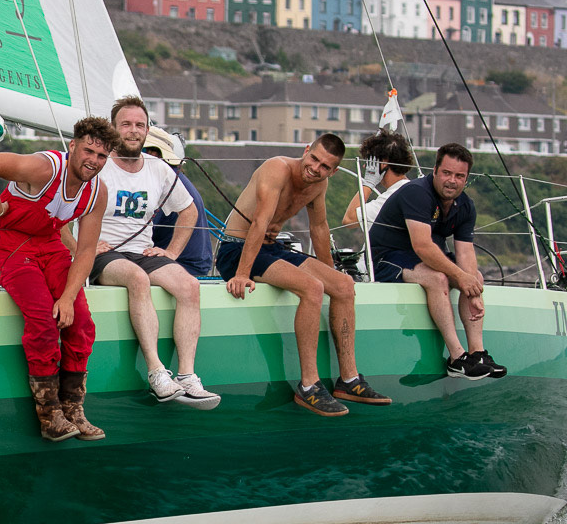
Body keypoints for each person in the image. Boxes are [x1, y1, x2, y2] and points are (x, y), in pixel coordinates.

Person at [215, 133, 392, 417]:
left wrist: (330, 275)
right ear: (306, 150)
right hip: (237, 250)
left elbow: (319, 229)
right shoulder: (278, 168)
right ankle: (309, 385)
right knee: (311, 288)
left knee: (345, 285)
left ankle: (349, 381)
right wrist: (241, 274)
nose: (316, 168)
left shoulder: (318, 186)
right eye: (314, 159)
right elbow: (260, 221)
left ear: (333, 172)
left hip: (271, 249)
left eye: (325, 167)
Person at [0, 118, 113, 441]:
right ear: (73, 146)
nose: (93, 160)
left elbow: (87, 251)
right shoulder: (46, 168)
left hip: (49, 245)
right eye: (88, 150)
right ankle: (50, 415)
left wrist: (67, 297)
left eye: (102, 156)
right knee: (42, 318)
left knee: (81, 322)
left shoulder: (96, 193)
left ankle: (73, 410)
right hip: (8, 241)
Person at [84, 97, 218, 407]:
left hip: (142, 251)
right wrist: (84, 246)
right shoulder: (97, 166)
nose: (133, 131)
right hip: (103, 254)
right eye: (126, 125)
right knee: (136, 279)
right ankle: (157, 372)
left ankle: (186, 375)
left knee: (189, 285)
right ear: (113, 130)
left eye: (139, 125)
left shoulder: (158, 169)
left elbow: (188, 211)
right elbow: (64, 207)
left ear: (147, 130)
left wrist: (172, 252)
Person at [369, 142, 507, 379]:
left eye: (459, 176)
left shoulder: (465, 206)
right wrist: (461, 277)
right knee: (438, 278)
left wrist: (472, 288)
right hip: (387, 257)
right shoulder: (417, 193)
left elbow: (465, 253)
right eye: (446, 173)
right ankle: (457, 358)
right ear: (435, 171)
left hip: (420, 256)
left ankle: (478, 353)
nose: (452, 180)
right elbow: (422, 246)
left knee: (475, 277)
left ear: (466, 179)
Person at [342, 128, 416, 278]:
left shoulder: (394, 196)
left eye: (370, 161)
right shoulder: (408, 190)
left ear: (383, 163)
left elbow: (348, 220)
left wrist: (369, 183)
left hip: (373, 274)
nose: (365, 167)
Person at [146, 127, 215, 278]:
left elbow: (140, 231)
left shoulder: (162, 180)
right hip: (197, 264)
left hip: (185, 265)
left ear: (153, 154)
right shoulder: (176, 177)